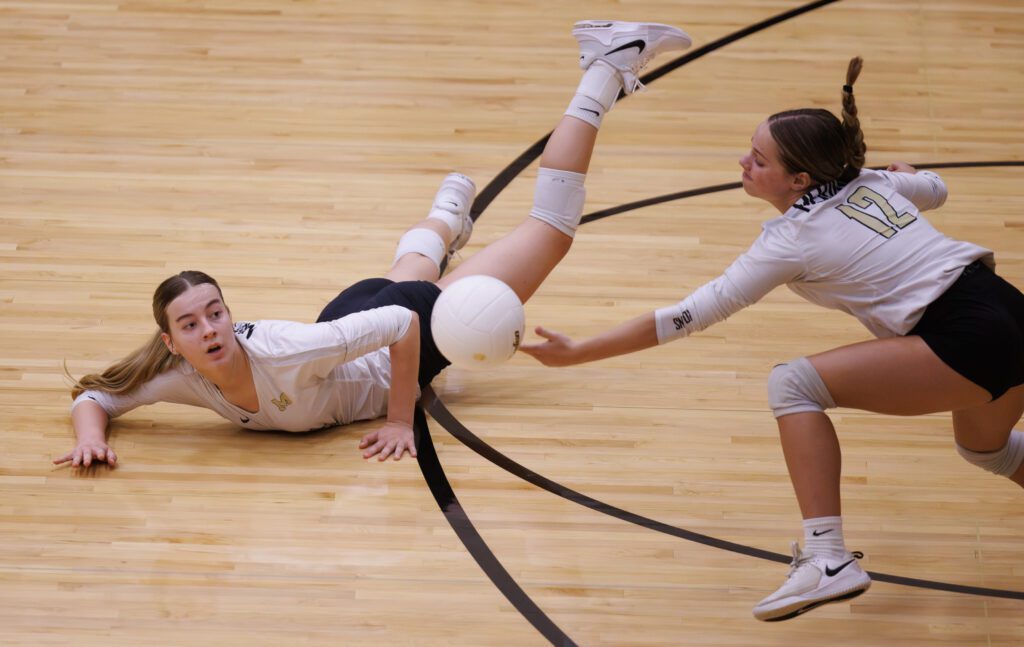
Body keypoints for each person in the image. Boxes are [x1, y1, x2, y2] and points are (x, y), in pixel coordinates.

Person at [520, 57, 1024, 621]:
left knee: (793, 385)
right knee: (986, 449)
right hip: (1008, 310)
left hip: (965, 335)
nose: (743, 162)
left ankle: (827, 559)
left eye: (758, 160)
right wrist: (907, 177)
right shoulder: (872, 181)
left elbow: (686, 316)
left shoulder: (792, 240)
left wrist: (579, 351)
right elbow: (935, 186)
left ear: (801, 180)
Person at [56, 20, 693, 466]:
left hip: (406, 330)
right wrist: (91, 438)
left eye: (215, 312)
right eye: (191, 324)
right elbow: (98, 397)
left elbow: (399, 323)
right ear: (172, 343)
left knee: (549, 236)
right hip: (349, 317)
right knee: (407, 269)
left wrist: (399, 417)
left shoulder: (285, 348)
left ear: (230, 313)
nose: (210, 329)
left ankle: (606, 65)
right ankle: (447, 215)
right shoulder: (189, 378)